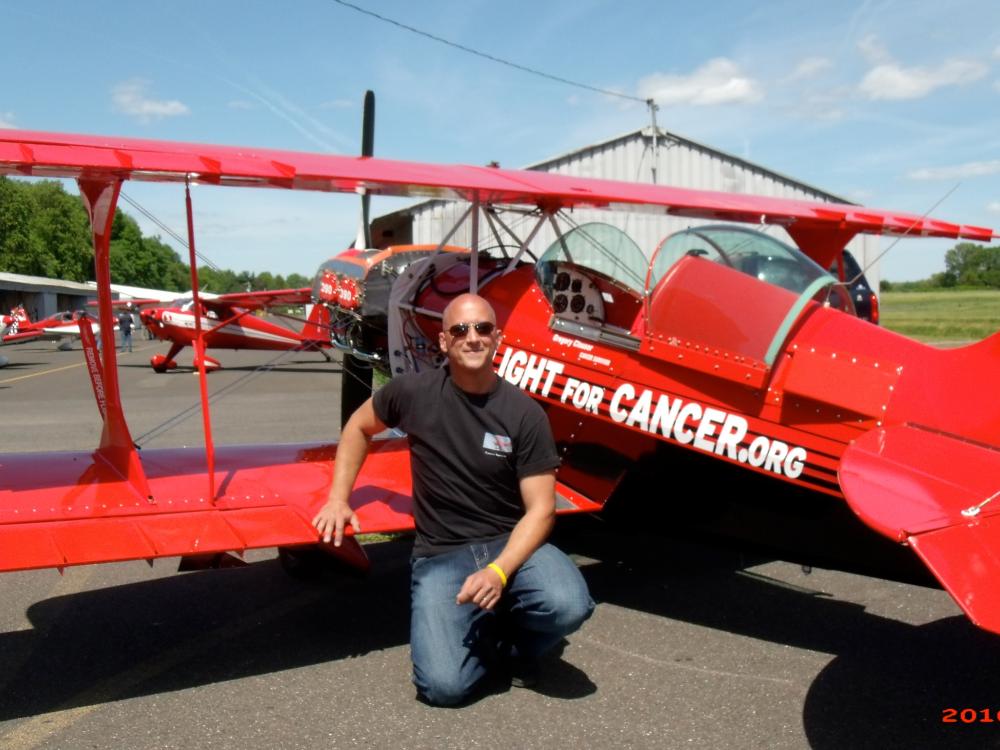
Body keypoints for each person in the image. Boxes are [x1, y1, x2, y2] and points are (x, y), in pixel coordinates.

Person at [312, 293, 593, 706]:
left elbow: (541, 510)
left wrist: (499, 572)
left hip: (508, 542)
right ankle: (483, 631)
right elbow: (358, 426)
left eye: (482, 328)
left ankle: (513, 646)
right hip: (441, 553)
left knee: (568, 605)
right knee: (443, 689)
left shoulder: (524, 413)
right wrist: (338, 498)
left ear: (497, 337)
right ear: (444, 342)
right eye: (460, 330)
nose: (472, 337)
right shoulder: (412, 392)